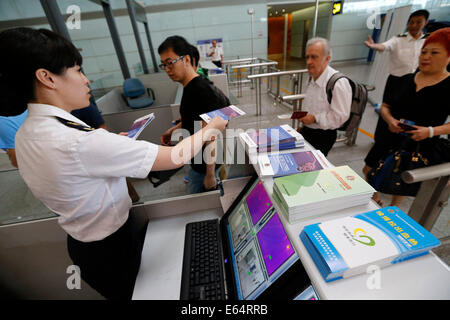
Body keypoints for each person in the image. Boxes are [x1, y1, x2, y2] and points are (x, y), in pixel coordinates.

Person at [0, 27, 227, 300]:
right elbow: (173, 157)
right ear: (47, 77)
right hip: (111, 249)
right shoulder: (76, 141)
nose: (87, 80)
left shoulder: (28, 131)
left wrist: (110, 146)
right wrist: (212, 127)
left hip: (84, 245)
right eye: (77, 70)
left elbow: (76, 162)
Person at [363, 27, 450, 207]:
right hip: (390, 137)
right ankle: (375, 199)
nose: (426, 57)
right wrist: (390, 120)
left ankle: (391, 212)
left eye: (434, 52)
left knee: (400, 185)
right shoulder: (405, 79)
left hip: (420, 144)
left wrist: (431, 131)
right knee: (368, 169)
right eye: (424, 52)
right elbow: (386, 106)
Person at [159, 36, 230, 194]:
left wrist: (210, 175)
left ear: (187, 59)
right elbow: (195, 117)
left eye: (170, 62)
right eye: (163, 65)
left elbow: (211, 135)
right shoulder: (190, 87)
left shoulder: (201, 91)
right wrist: (175, 129)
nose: (167, 69)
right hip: (199, 164)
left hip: (204, 168)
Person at [296, 37, 352, 156]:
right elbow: (311, 104)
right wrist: (304, 127)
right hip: (308, 130)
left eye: (314, 57)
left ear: (327, 59)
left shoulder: (338, 83)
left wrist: (315, 118)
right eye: (307, 57)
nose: (309, 62)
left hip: (323, 136)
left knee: (312, 167)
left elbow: (340, 117)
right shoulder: (312, 76)